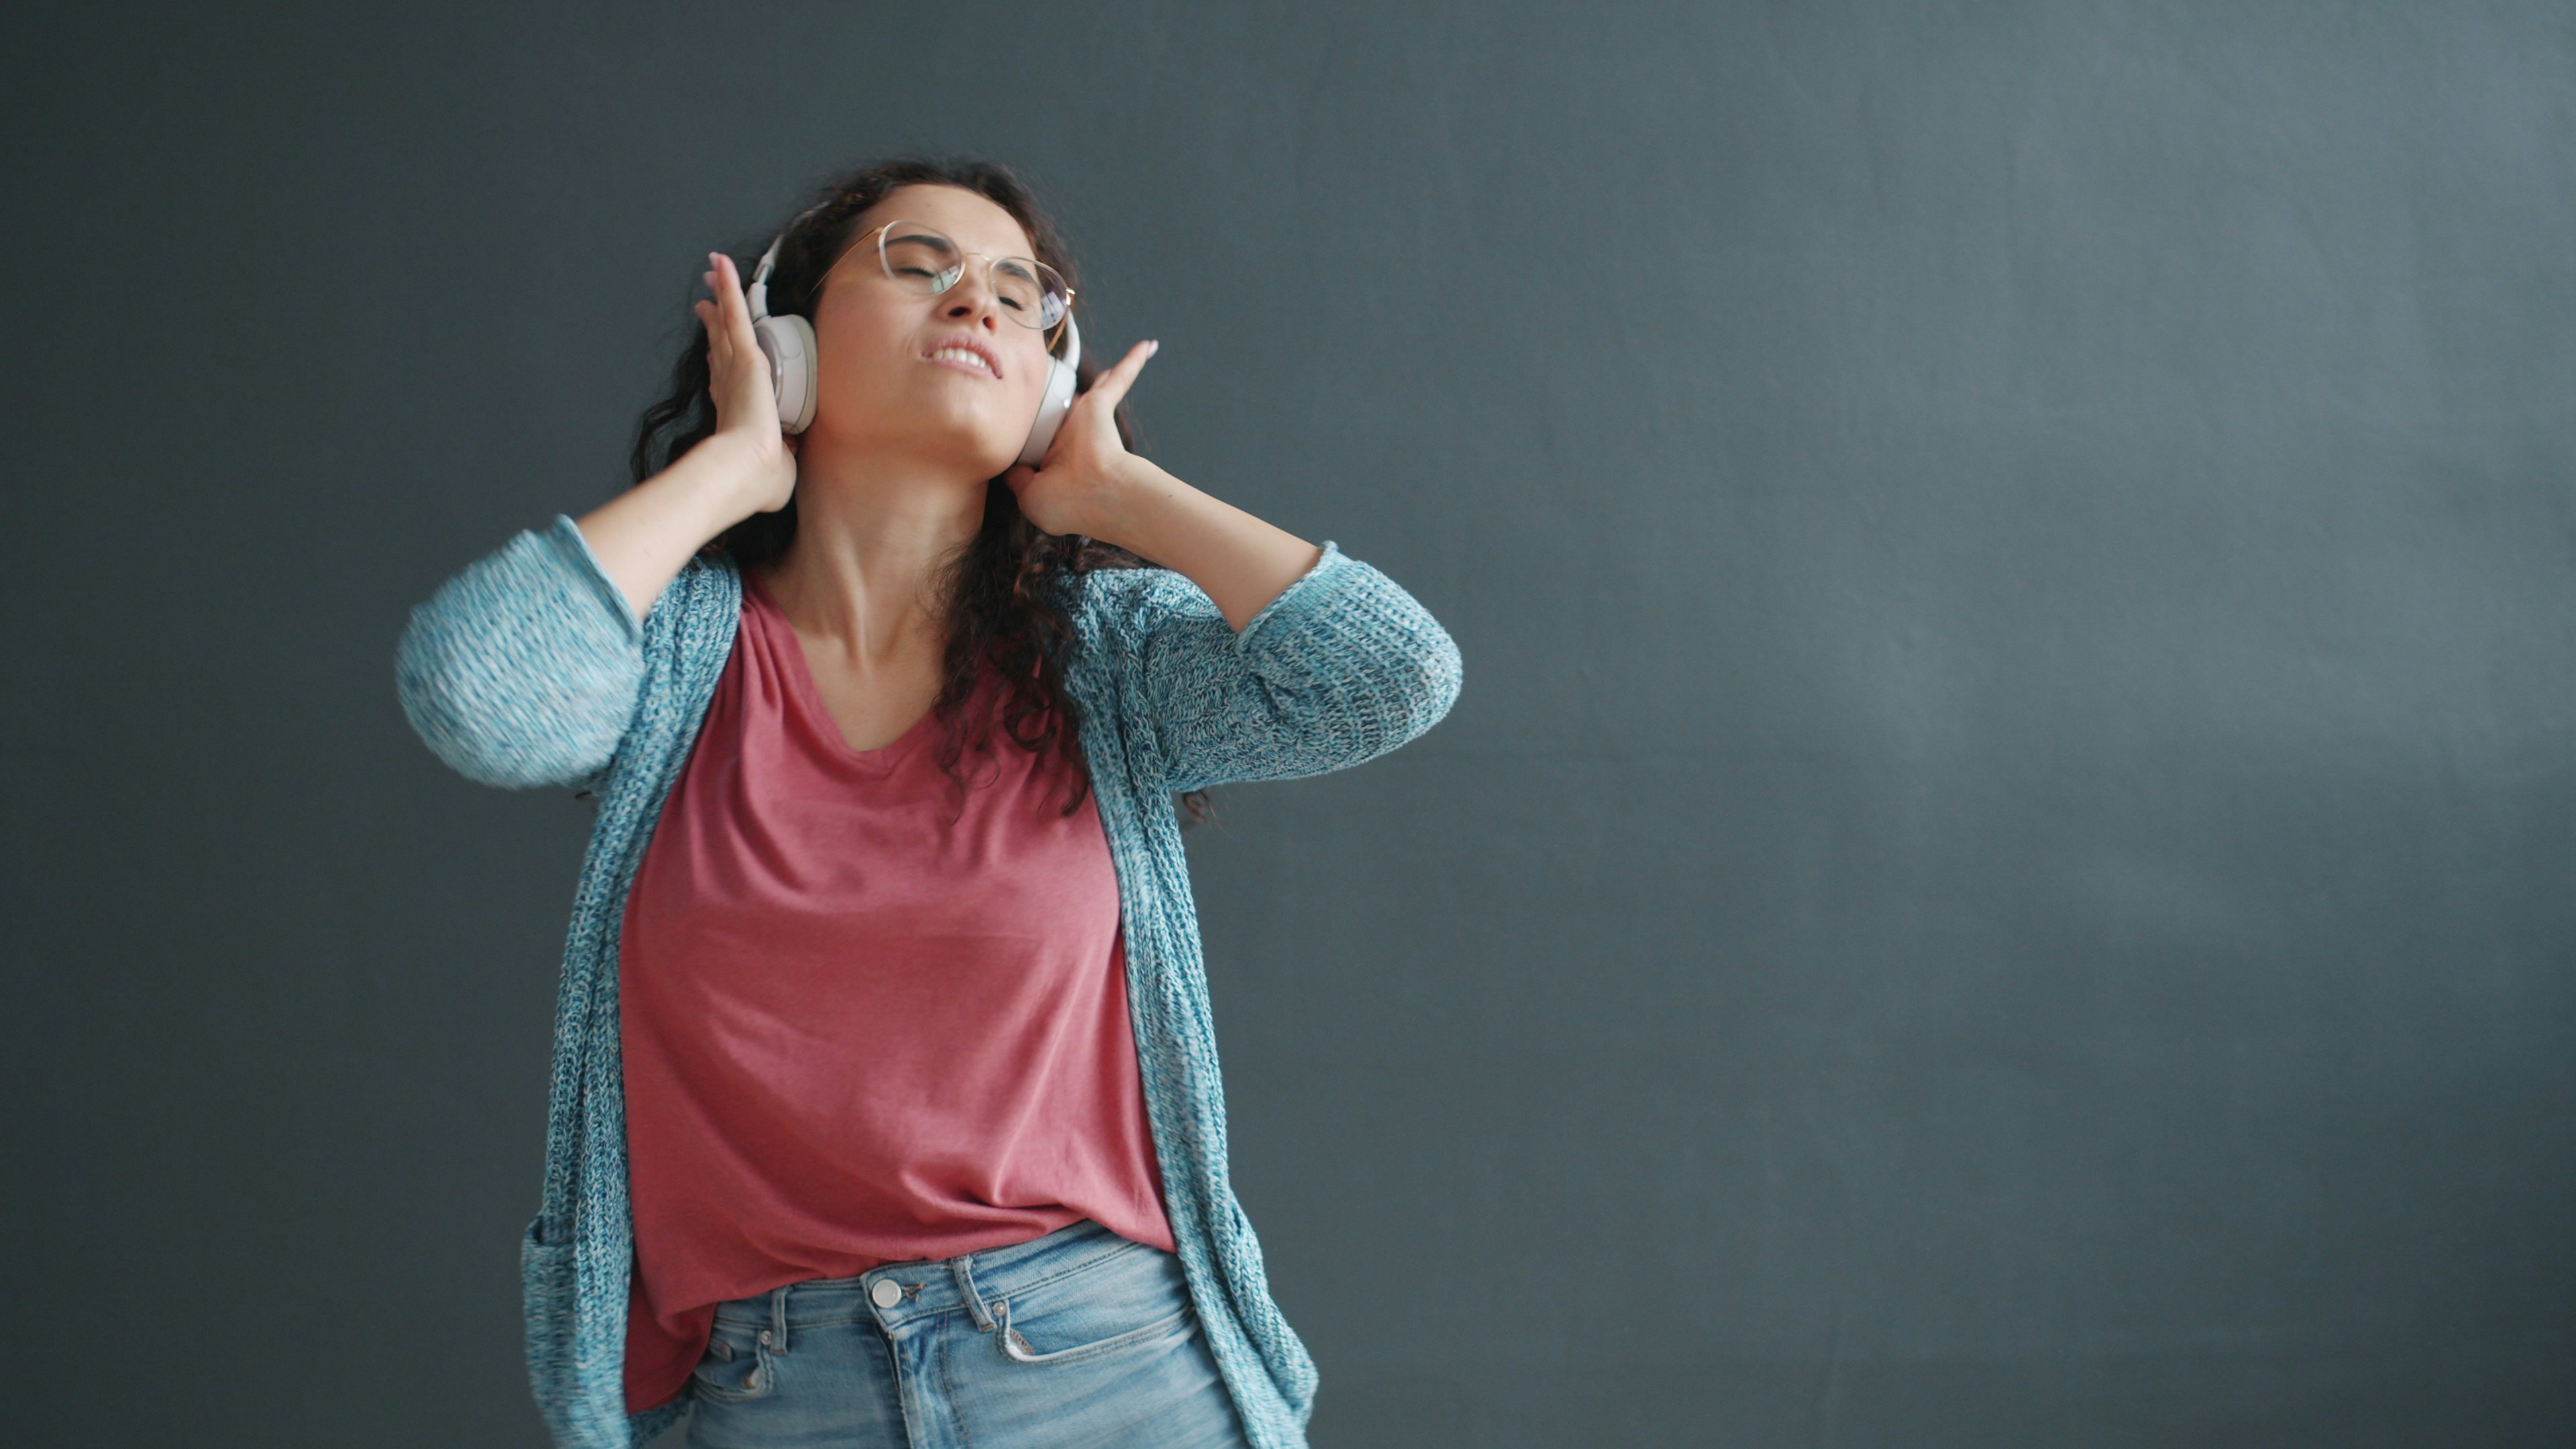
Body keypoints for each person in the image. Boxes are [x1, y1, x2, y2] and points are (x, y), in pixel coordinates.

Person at [394, 156, 1462, 1449]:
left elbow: (1393, 677)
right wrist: (735, 469)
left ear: (1050, 383)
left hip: (1114, 1371)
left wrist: (1120, 496)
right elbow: (473, 692)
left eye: (1024, 297)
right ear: (783, 343)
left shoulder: (1103, 662)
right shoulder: (671, 665)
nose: (979, 304)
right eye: (919, 265)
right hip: (768, 1398)